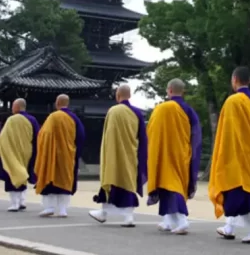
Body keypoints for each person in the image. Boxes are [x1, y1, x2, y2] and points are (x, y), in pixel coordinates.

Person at [208, 66, 250, 244]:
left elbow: (225, 133)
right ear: (249, 81)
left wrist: (221, 154)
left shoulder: (232, 101)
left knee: (239, 192)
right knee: (239, 191)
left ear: (234, 80)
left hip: (234, 154)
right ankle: (229, 227)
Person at [147, 78, 202, 235]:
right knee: (169, 186)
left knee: (172, 186)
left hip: (163, 154)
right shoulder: (188, 109)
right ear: (182, 91)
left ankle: (182, 220)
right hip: (182, 154)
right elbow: (196, 134)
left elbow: (151, 130)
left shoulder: (161, 108)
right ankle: (168, 221)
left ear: (169, 90)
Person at [89, 84, 147, 227]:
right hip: (130, 155)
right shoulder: (137, 113)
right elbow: (143, 137)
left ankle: (104, 213)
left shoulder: (113, 111)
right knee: (128, 182)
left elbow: (108, 135)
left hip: (114, 154)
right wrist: (142, 155)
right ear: (130, 95)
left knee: (111, 179)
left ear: (118, 95)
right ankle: (128, 216)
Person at [35, 94, 85, 217]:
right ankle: (63, 210)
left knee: (50, 179)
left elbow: (43, 135)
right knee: (65, 181)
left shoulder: (53, 117)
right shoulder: (74, 118)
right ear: (67, 104)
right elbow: (81, 136)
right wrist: (75, 152)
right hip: (67, 156)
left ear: (57, 103)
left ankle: (49, 207)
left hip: (51, 155)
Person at [0, 98, 40, 212]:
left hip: (11, 152)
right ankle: (22, 200)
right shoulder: (32, 119)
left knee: (12, 174)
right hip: (26, 152)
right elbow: (37, 137)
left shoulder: (11, 119)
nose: (11, 108)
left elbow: (2, 137)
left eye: (13, 106)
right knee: (23, 173)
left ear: (17, 107)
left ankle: (14, 203)